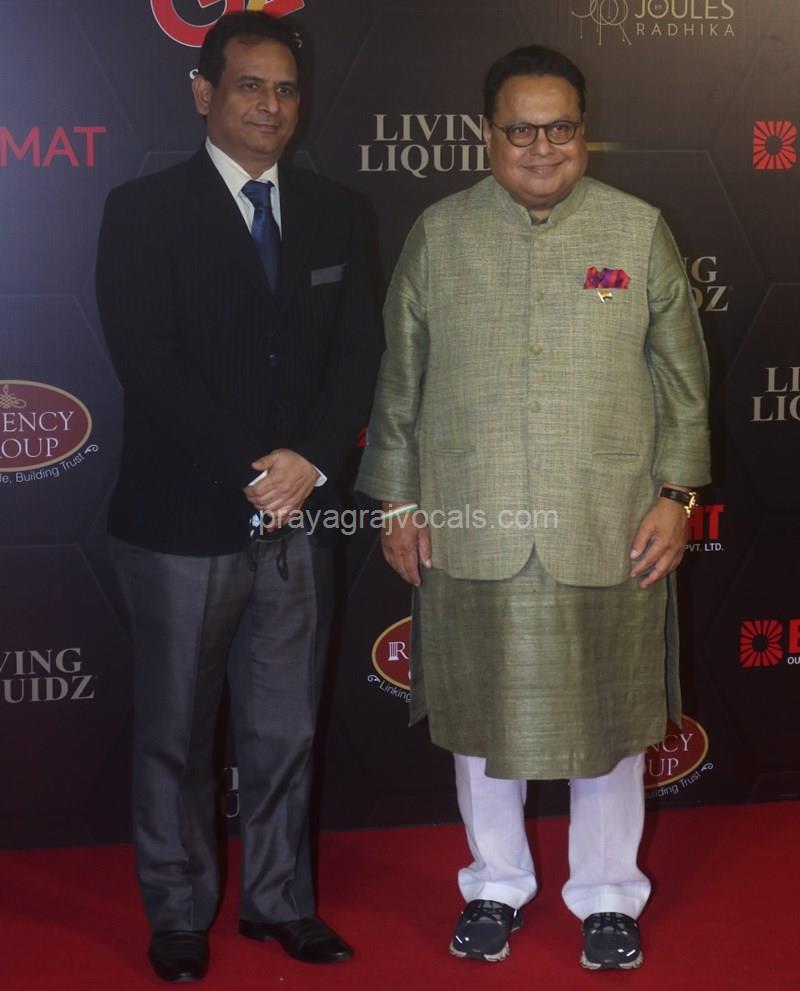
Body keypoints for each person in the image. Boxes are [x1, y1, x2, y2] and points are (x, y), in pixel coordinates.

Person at [357, 45, 709, 971]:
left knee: (612, 727)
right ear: (488, 134)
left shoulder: (637, 231)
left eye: (561, 128)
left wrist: (677, 496)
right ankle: (495, 884)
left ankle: (608, 896)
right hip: (472, 525)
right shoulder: (439, 234)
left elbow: (685, 384)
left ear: (584, 132)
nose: (543, 147)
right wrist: (397, 499)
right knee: (479, 723)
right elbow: (400, 381)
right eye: (522, 130)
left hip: (610, 526)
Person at [96, 11, 381, 983]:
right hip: (180, 522)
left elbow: (359, 355)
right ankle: (178, 912)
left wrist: (310, 461)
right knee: (175, 734)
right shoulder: (142, 210)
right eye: (250, 85)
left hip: (300, 517)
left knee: (285, 727)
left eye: (286, 88)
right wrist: (255, 468)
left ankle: (280, 901)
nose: (270, 105)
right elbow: (147, 361)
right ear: (204, 93)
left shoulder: (338, 211)